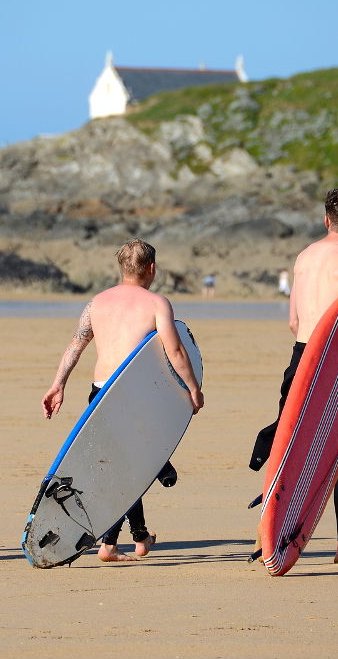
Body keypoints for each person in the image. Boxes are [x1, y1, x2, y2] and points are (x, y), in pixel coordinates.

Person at [41, 239, 204, 563]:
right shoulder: (157, 303)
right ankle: (114, 542)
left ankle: (136, 537)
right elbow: (175, 351)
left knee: (121, 468)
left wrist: (58, 384)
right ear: (152, 268)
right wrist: (193, 387)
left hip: (99, 392)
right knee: (131, 470)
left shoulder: (97, 302)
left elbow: (75, 346)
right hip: (133, 396)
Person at [250, 189, 338, 565]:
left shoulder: (304, 257)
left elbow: (294, 320)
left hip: (301, 357)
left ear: (325, 220)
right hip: (333, 364)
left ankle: (270, 533)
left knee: (287, 445)